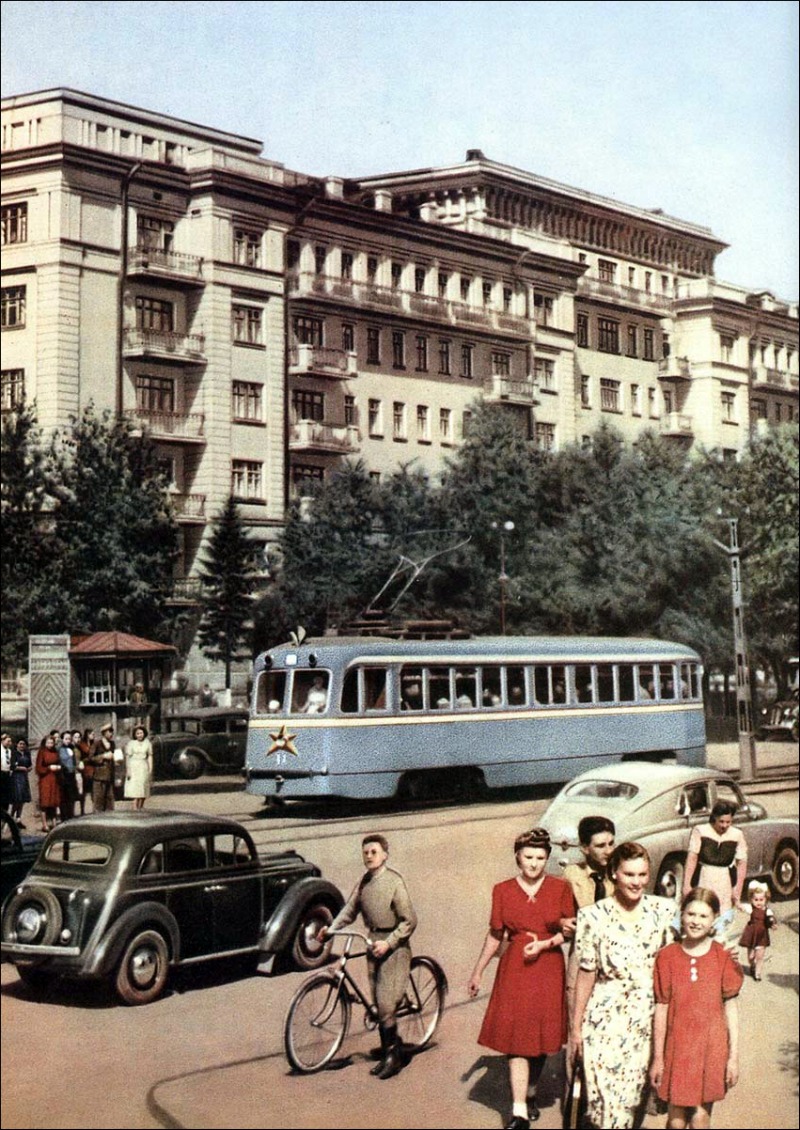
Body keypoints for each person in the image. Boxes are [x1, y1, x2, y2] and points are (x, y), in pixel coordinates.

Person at [468, 828, 575, 1130]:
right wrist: (478, 970)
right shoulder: (502, 890)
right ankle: (519, 1113)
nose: (534, 863)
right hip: (515, 968)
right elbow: (495, 935)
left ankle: (529, 1094)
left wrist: (546, 943)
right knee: (517, 1041)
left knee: (540, 1041)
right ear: (517, 856)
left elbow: (568, 931)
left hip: (548, 967)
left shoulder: (560, 888)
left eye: (541, 858)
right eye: (528, 857)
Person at [569, 841, 675, 1130]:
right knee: (604, 1101)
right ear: (614, 873)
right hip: (603, 1020)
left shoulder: (664, 911)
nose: (637, 882)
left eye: (642, 874)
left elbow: (695, 939)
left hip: (645, 1020)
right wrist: (576, 1029)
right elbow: (586, 974)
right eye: (630, 874)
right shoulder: (592, 916)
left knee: (632, 1100)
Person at [320, 834, 417, 1080]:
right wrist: (330, 929)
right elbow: (349, 910)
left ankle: (393, 1058)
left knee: (385, 1005)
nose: (369, 856)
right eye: (365, 853)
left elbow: (409, 920)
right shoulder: (364, 883)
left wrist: (389, 942)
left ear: (385, 854)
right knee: (376, 1001)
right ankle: (387, 1051)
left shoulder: (394, 881)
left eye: (374, 852)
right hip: (372, 945)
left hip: (394, 947)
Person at [650, 888, 743, 1129]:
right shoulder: (667, 956)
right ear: (681, 915)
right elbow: (661, 1007)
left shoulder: (722, 956)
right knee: (676, 1119)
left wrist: (733, 1057)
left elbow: (731, 1006)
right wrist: (658, 1057)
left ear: (714, 919)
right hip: (677, 1047)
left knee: (701, 1117)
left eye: (703, 916)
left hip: (711, 1048)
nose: (696, 921)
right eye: (691, 914)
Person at [560, 816, 615, 1024]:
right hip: (582, 956)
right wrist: (561, 922)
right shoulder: (572, 874)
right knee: (578, 1020)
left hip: (613, 956)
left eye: (611, 843)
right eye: (600, 846)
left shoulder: (621, 873)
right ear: (584, 848)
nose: (608, 851)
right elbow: (554, 911)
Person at [683, 801, 747, 936]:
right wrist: (687, 884)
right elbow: (692, 858)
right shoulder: (700, 830)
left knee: (722, 918)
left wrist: (738, 890)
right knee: (702, 912)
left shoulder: (737, 834)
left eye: (728, 822)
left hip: (724, 880)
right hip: (704, 877)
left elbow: (742, 862)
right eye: (721, 821)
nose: (724, 825)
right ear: (714, 818)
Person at [738, 880, 776, 981]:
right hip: (751, 934)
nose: (758, 902)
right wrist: (739, 906)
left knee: (760, 956)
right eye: (756, 899)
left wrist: (772, 924)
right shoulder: (751, 908)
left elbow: (771, 919)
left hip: (762, 935)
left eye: (761, 899)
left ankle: (757, 974)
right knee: (750, 956)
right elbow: (743, 907)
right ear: (751, 899)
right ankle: (752, 965)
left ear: (766, 899)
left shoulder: (767, 910)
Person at [35, 733, 63, 832]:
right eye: (48, 742)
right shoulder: (42, 752)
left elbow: (59, 762)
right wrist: (48, 768)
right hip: (45, 779)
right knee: (45, 802)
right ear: (45, 743)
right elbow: (38, 768)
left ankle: (54, 823)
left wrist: (59, 767)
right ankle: (45, 824)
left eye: (52, 742)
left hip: (54, 779)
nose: (50, 744)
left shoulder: (55, 751)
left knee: (54, 802)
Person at [86, 723, 116, 812]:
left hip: (109, 776)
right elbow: (90, 758)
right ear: (104, 733)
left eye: (112, 732)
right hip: (99, 777)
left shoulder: (112, 744)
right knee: (98, 801)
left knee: (109, 801)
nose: (111, 734)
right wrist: (103, 756)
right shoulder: (97, 743)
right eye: (109, 732)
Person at [124, 725, 154, 810]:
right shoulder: (131, 743)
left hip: (143, 766)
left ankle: (141, 807)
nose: (139, 735)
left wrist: (150, 768)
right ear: (135, 735)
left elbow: (150, 756)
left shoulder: (147, 743)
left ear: (144, 733)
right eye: (137, 733)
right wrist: (128, 770)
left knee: (143, 787)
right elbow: (128, 757)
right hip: (134, 767)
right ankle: (134, 808)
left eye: (141, 733)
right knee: (135, 789)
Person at [58, 730, 80, 821]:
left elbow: (74, 762)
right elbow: (59, 762)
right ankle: (64, 818)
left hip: (71, 776)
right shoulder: (59, 749)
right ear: (62, 739)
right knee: (64, 798)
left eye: (69, 739)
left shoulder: (72, 748)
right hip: (63, 776)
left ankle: (71, 816)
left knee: (71, 798)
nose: (68, 741)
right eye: (66, 739)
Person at [10, 738, 32, 826]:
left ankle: (18, 818)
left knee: (22, 799)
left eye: (23, 744)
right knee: (17, 798)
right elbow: (12, 766)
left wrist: (29, 768)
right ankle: (11, 816)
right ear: (17, 744)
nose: (22, 746)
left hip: (24, 777)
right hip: (16, 777)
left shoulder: (27, 754)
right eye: (20, 744)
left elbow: (30, 765)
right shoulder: (14, 754)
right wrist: (21, 768)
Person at [77, 728, 95, 815]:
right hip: (84, 769)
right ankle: (82, 810)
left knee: (93, 791)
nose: (93, 736)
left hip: (92, 769)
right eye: (91, 734)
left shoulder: (93, 744)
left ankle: (93, 809)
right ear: (87, 734)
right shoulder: (82, 745)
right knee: (83, 791)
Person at [0, 732, 13, 812]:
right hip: (1, 774)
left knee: (6, 797)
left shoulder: (9, 751)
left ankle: (5, 816)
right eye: (8, 741)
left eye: (10, 741)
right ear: (2, 741)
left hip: (7, 775)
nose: (9, 743)